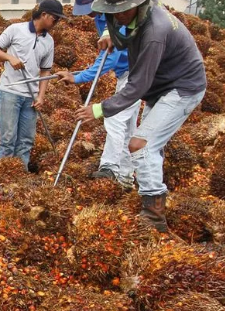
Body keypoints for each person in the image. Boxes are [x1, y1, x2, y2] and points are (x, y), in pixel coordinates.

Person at [75, 0, 206, 232]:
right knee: (149, 145)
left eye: (122, 10)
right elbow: (118, 24)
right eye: (112, 13)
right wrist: (109, 34)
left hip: (181, 88)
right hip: (161, 87)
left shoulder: (155, 32)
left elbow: (137, 86)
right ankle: (150, 198)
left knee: (141, 145)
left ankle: (154, 216)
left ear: (138, 5)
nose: (118, 16)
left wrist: (98, 110)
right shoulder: (137, 15)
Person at [55, 0, 140, 188]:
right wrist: (75, 75)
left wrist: (78, 78)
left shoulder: (118, 16)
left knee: (115, 116)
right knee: (127, 126)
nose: (89, 14)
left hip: (136, 73)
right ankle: (126, 177)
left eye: (90, 10)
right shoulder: (100, 20)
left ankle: (109, 167)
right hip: (125, 74)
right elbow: (103, 57)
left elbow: (110, 57)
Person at [0, 0, 65, 169]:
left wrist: (41, 96)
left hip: (30, 96)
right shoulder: (16, 29)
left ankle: (20, 175)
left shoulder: (49, 41)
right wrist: (10, 57)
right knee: (8, 139)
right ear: (43, 15)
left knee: (26, 140)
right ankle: (3, 175)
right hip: (9, 91)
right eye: (55, 18)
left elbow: (45, 71)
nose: (57, 23)